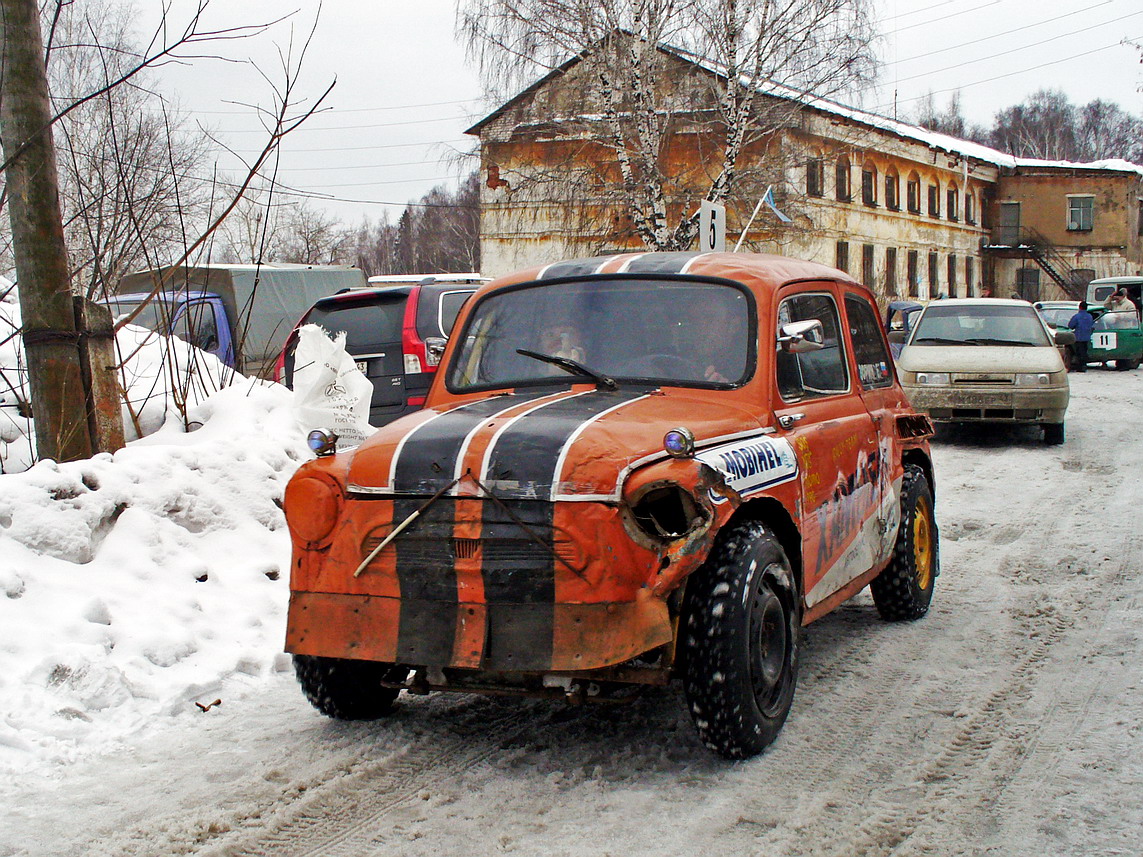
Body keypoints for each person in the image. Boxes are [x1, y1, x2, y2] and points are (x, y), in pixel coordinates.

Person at [1067, 301, 1095, 372]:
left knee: (1079, 352)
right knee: (1084, 351)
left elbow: (1070, 325)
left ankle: (1080, 367)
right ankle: (1084, 365)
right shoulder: (1090, 316)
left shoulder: (1077, 316)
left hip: (1078, 337)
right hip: (1087, 337)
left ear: (1080, 307)